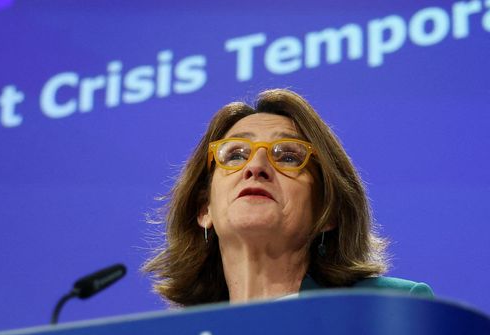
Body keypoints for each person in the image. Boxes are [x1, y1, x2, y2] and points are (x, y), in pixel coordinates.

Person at [143, 89, 432, 305]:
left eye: (289, 156)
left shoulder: (391, 306)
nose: (256, 167)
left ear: (327, 211)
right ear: (204, 208)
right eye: (235, 155)